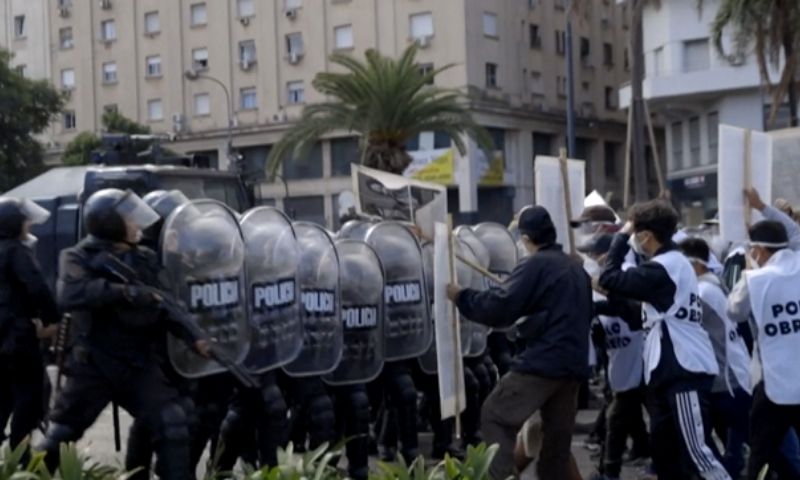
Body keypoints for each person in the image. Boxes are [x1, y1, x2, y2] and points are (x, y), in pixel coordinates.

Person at [36, 189, 210, 480]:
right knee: (61, 435)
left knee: (173, 423)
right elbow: (72, 293)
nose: (137, 225)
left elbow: (167, 304)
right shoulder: (77, 256)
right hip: (94, 364)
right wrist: (127, 293)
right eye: (130, 219)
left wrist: (195, 337)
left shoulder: (145, 258)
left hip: (139, 364)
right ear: (109, 223)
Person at [447, 205, 592, 479]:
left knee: (496, 414)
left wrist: (461, 297)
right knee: (556, 442)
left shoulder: (536, 264)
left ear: (526, 239)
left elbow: (501, 306)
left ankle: (499, 476)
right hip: (573, 365)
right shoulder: (574, 267)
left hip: (544, 363)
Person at [598, 200, 730, 480]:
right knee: (666, 457)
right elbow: (632, 308)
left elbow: (610, 277)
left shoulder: (665, 267)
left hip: (683, 369)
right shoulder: (668, 266)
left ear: (646, 235)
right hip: (666, 372)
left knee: (698, 455)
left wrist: (620, 237)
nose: (632, 237)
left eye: (634, 232)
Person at [727, 220, 800, 480]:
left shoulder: (755, 279)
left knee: (760, 452)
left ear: (759, 250)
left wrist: (749, 273)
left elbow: (734, 311)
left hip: (774, 383)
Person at [679, 238, 752, 478]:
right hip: (732, 375)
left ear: (695, 265)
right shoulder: (711, 285)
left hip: (726, 380)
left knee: (750, 444)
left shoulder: (702, 291)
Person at [583, 234, 649, 480]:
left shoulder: (628, 280)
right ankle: (643, 450)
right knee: (626, 416)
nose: (594, 260)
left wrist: (607, 294)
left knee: (616, 418)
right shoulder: (601, 295)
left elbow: (630, 311)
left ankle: (609, 471)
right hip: (621, 366)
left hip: (642, 366)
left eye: (597, 255)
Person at [0, 198, 60, 453]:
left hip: (2, 338)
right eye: (26, 220)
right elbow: (37, 287)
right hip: (18, 337)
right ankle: (20, 458)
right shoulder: (16, 250)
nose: (29, 225)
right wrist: (53, 319)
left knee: (2, 397)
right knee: (30, 397)